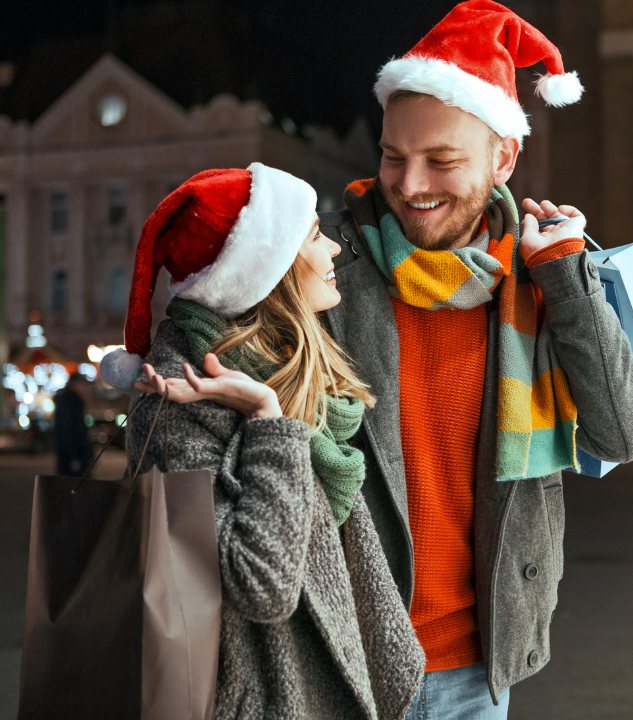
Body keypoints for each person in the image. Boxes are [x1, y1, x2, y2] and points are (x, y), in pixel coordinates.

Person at [317, 1, 633, 717]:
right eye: (392, 156)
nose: (409, 185)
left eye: (442, 161)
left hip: (479, 667)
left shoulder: (535, 275)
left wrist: (567, 277)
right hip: (343, 655)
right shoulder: (322, 267)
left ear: (503, 155)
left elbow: (619, 435)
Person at [99, 165, 425, 720]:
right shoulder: (181, 398)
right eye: (315, 237)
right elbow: (263, 584)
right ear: (266, 270)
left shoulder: (284, 369)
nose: (333, 252)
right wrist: (270, 422)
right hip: (261, 699)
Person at [53, 372, 94, 477]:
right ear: (75, 385)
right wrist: (74, 458)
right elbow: (65, 432)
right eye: (83, 384)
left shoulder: (74, 402)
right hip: (74, 463)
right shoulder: (68, 403)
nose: (86, 388)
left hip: (77, 460)